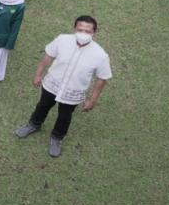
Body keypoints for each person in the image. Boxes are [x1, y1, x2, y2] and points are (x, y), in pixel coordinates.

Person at [15, 16, 111, 157]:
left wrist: (93, 100)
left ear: (94, 32)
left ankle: (57, 137)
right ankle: (34, 124)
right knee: (42, 105)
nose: (83, 33)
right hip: (51, 85)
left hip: (73, 92)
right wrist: (38, 74)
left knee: (65, 116)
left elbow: (102, 79)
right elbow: (48, 57)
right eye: (80, 29)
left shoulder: (100, 55)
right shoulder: (62, 40)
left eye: (87, 31)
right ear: (74, 29)